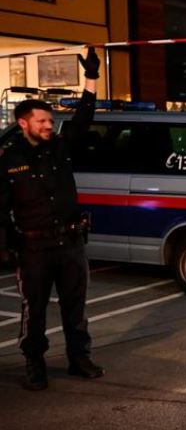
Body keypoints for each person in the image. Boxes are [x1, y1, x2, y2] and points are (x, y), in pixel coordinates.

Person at [0, 47, 105, 391]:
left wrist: (92, 79)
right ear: (23, 123)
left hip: (71, 242)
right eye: (42, 121)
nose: (49, 125)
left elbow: (84, 118)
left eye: (50, 120)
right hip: (34, 247)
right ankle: (34, 362)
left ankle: (79, 358)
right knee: (35, 311)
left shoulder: (59, 147)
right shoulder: (8, 158)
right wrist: (6, 243)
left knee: (76, 307)